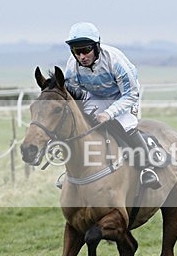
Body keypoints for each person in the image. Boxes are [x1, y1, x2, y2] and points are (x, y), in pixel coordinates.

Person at [62, 21, 161, 189]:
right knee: (84, 126)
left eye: (86, 50)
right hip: (95, 96)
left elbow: (131, 94)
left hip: (123, 96)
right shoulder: (72, 66)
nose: (81, 57)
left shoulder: (115, 61)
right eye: (76, 52)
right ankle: (74, 173)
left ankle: (147, 169)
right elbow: (75, 94)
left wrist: (108, 114)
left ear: (97, 46)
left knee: (126, 124)